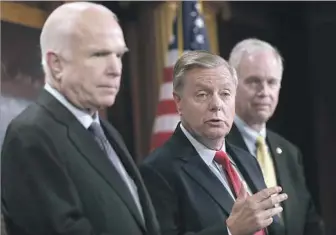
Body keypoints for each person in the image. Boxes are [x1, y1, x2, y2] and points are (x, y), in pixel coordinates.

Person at [1, 2, 160, 235]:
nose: (115, 69)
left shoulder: (105, 130)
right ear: (56, 65)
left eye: (118, 55)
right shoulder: (30, 135)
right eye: (99, 54)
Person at [140, 51, 288, 235]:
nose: (217, 104)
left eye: (225, 93)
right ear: (178, 102)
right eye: (202, 95)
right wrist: (230, 231)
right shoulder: (157, 170)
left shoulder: (246, 159)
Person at [226, 38, 325, 235]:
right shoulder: (217, 147)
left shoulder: (289, 152)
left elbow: (308, 221)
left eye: (271, 82)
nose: (264, 92)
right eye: (254, 82)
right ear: (232, 84)